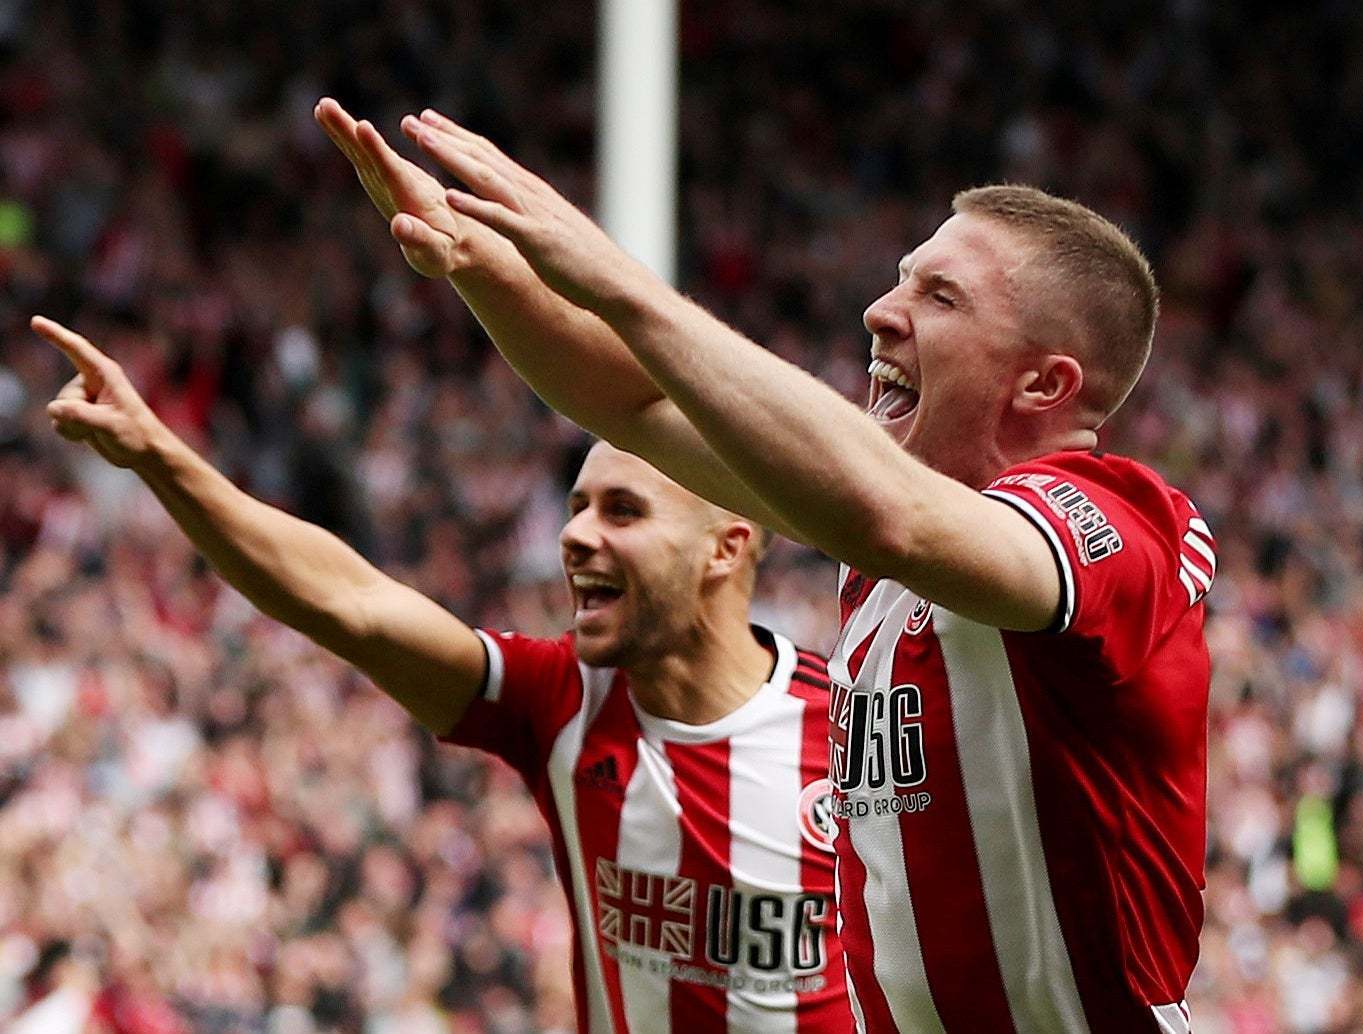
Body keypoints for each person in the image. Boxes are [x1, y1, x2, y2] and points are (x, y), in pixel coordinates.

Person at [326, 105, 1216, 1032]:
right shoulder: (882, 555)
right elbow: (631, 405)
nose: (881, 311)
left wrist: (624, 285)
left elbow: (893, 517)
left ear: (1045, 385)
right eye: (900, 280)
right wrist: (480, 261)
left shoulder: (1120, 519)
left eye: (940, 298)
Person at [34, 314, 852, 1034]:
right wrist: (160, 456)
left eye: (624, 511)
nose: (576, 537)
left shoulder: (856, 725)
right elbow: (350, 603)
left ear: (727, 546)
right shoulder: (559, 699)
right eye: (576, 508)